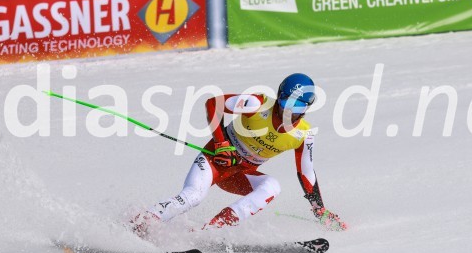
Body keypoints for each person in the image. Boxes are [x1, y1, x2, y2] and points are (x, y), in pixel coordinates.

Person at [129, 74, 347, 236]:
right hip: (215, 160)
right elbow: (214, 103)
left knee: (272, 186)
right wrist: (221, 143)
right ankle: (142, 222)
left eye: (298, 106)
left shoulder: (304, 135)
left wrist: (319, 210)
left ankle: (214, 229)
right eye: (286, 102)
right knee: (193, 196)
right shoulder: (258, 103)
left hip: (239, 175)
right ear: (279, 96)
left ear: (308, 107)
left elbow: (306, 172)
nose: (290, 111)